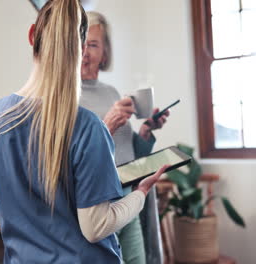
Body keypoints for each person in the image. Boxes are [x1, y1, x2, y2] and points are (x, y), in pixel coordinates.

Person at [0, 1, 168, 263]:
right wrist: (140, 193)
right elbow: (96, 228)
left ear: (32, 35)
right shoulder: (88, 126)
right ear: (80, 48)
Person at [80, 11, 170, 264]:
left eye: (93, 44)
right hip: (97, 205)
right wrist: (106, 125)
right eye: (81, 42)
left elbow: (126, 150)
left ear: (105, 53)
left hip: (129, 194)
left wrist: (146, 131)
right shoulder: (67, 97)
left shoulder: (111, 92)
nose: (85, 51)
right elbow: (71, 157)